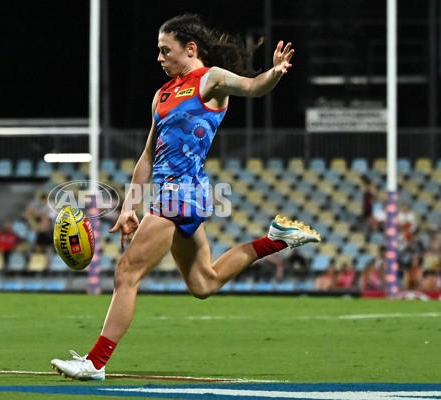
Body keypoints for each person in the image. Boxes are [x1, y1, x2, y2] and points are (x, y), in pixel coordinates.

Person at [51, 14, 320, 381]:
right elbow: (147, 156)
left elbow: (254, 87)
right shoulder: (161, 95)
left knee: (126, 272)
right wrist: (129, 207)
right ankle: (274, 240)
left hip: (181, 192)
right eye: (158, 52)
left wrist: (274, 73)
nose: (159, 58)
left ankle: (95, 362)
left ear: (190, 49)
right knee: (203, 284)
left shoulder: (210, 79)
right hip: (176, 195)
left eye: (166, 51)